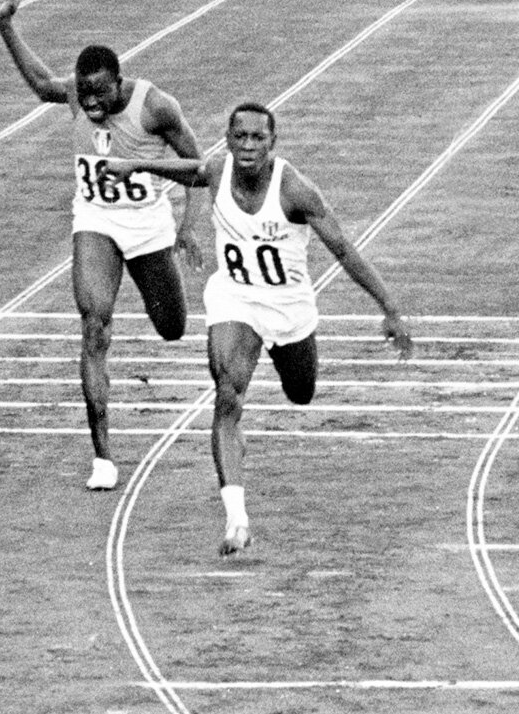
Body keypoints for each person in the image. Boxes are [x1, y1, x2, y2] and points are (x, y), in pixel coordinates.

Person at [102, 102, 413, 555]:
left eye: (258, 138)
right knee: (227, 393)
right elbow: (189, 170)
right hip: (236, 299)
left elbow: (344, 249)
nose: (248, 146)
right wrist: (133, 164)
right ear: (228, 139)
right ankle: (237, 521)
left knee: (301, 392)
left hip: (289, 308)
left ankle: (287, 372)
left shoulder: (297, 190)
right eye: (240, 137)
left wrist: (390, 308)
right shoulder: (217, 170)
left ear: (273, 143)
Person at [0, 0, 205, 492]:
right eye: (83, 93)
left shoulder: (156, 107)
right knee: (94, 327)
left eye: (99, 92)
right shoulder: (76, 93)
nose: (89, 102)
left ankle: (163, 290)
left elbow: (199, 169)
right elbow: (43, 83)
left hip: (149, 224)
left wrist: (186, 229)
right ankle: (104, 457)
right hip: (96, 221)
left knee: (173, 328)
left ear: (119, 82)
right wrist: (5, 26)